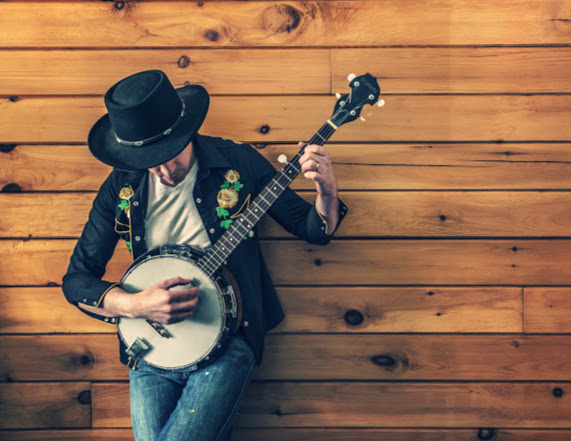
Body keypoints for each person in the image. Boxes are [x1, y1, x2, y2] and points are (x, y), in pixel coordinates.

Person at [62, 70, 348, 441]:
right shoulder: (121, 185)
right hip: (151, 350)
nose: (163, 170)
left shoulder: (238, 162)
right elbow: (76, 279)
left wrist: (327, 189)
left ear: (186, 132)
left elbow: (313, 230)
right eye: (150, 160)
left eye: (168, 154)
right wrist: (135, 306)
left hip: (229, 340)